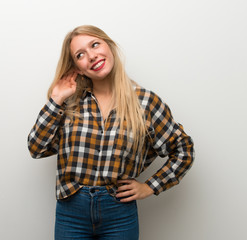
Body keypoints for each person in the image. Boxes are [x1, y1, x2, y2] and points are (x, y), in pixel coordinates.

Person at [27, 25, 195, 240]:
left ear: (110, 46)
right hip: (71, 212)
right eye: (80, 55)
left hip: (119, 214)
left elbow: (183, 150)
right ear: (76, 66)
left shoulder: (145, 102)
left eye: (95, 45)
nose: (91, 56)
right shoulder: (70, 103)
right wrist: (56, 99)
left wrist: (150, 187)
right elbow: (36, 148)